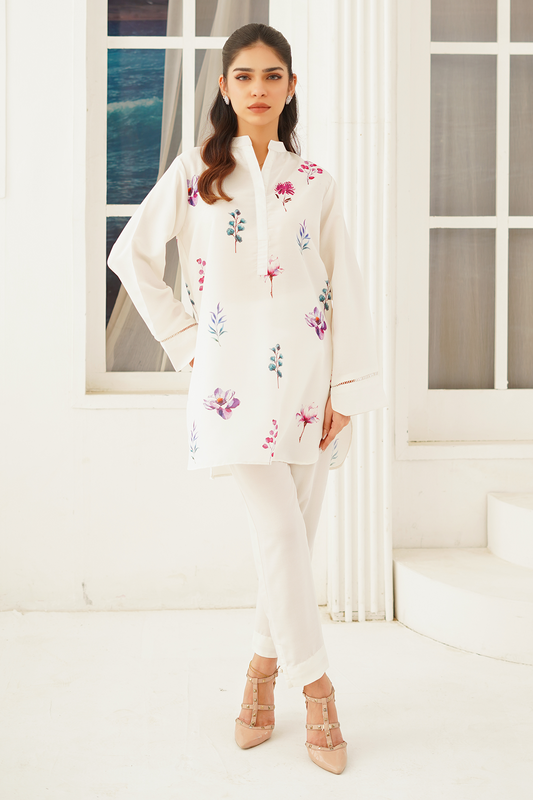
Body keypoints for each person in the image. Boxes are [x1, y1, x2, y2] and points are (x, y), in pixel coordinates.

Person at [108, 22, 386, 775]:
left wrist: (346, 387)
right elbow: (130, 256)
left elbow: (344, 283)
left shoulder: (316, 181)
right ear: (225, 88)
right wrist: (185, 340)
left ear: (291, 87)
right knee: (280, 532)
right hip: (230, 385)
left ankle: (261, 673)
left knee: (291, 539)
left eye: (271, 76)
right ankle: (319, 690)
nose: (257, 89)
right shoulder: (196, 174)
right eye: (243, 76)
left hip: (310, 380)